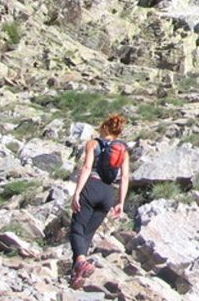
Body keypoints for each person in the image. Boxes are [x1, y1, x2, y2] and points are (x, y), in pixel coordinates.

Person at [68, 113, 130, 289]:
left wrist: (77, 193)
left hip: (92, 187)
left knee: (77, 228)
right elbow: (125, 177)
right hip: (108, 194)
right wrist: (121, 203)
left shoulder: (93, 144)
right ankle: (76, 275)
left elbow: (87, 167)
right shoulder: (123, 150)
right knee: (87, 234)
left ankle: (80, 261)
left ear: (104, 127)